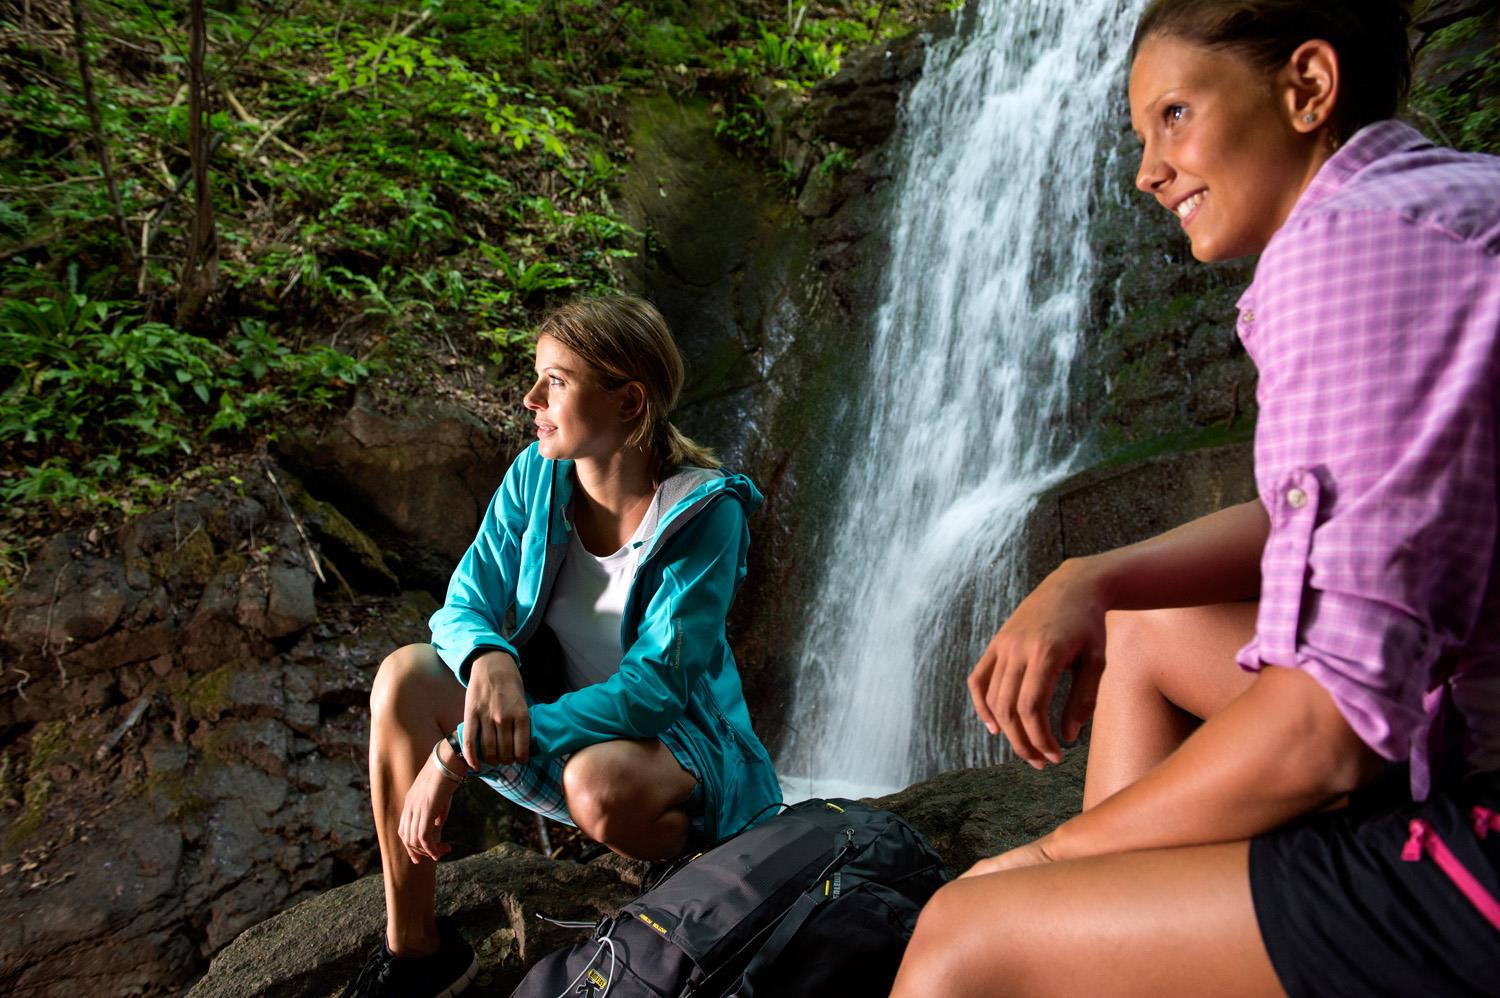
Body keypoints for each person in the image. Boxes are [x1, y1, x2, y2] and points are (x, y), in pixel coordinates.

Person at [892, 1, 1500, 995]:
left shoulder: (1352, 253)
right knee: (1143, 631)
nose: (1146, 170)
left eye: (1173, 115)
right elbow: (1350, 513)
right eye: (1141, 135)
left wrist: (1052, 860)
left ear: (1307, 87)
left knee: (966, 935)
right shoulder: (1442, 208)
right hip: (1458, 735)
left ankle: (1077, 939)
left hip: (1482, 835)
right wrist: (1096, 574)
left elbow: (1326, 732)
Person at [341, 295, 782, 998]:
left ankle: (687, 863)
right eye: (536, 377)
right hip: (566, 722)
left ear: (629, 402)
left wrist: (457, 752)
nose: (529, 398)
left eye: (556, 381)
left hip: (680, 752)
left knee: (596, 787)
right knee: (403, 678)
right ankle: (417, 953)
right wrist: (491, 660)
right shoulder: (537, 476)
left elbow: (653, 693)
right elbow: (462, 604)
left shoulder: (706, 515)